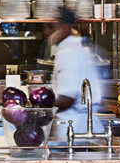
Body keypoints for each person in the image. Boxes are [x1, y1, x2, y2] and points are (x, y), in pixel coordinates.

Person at [44, 8, 105, 138]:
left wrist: (40, 110)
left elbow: (67, 99)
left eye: (51, 27)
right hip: (77, 123)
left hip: (75, 127)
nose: (47, 32)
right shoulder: (73, 48)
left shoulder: (68, 53)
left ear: (65, 27)